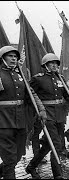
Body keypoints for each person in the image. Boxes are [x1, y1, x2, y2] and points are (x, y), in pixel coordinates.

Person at [25, 53, 69, 179]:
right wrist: (37, 112)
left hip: (59, 115)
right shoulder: (38, 79)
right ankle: (57, 175)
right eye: (51, 63)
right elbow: (29, 96)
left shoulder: (60, 78)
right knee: (56, 145)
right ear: (45, 65)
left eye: (56, 63)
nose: (54, 66)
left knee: (49, 145)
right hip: (47, 115)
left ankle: (31, 167)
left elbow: (68, 95)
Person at [0, 46, 47, 179]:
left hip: (21, 121)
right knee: (9, 159)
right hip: (3, 122)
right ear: (3, 58)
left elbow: (32, 94)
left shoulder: (19, 75)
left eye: (15, 56)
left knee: (18, 154)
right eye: (10, 56)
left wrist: (41, 109)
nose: (14, 59)